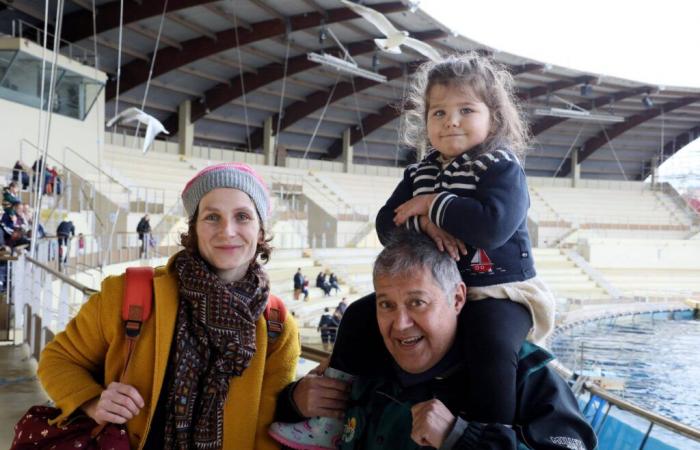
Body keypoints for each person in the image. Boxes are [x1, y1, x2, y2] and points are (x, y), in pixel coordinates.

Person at [269, 52, 556, 448]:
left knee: (489, 344)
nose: (451, 120)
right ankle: (327, 420)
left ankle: (488, 433)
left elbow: (491, 226)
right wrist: (425, 217)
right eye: (438, 112)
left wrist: (431, 204)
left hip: (496, 291)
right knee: (356, 316)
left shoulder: (501, 167)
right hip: (434, 291)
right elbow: (387, 223)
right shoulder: (420, 171)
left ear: (495, 117)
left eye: (466, 109)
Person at [37, 162, 300, 449]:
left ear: (260, 230)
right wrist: (91, 400)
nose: (228, 230)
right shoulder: (127, 293)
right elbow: (57, 359)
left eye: (243, 217)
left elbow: (268, 432)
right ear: (194, 229)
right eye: (212, 217)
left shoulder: (277, 325)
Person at [272, 231, 596, 450]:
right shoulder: (363, 360)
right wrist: (292, 402)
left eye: (417, 303)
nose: (400, 324)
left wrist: (461, 438)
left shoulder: (523, 374)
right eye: (386, 304)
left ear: (457, 299)